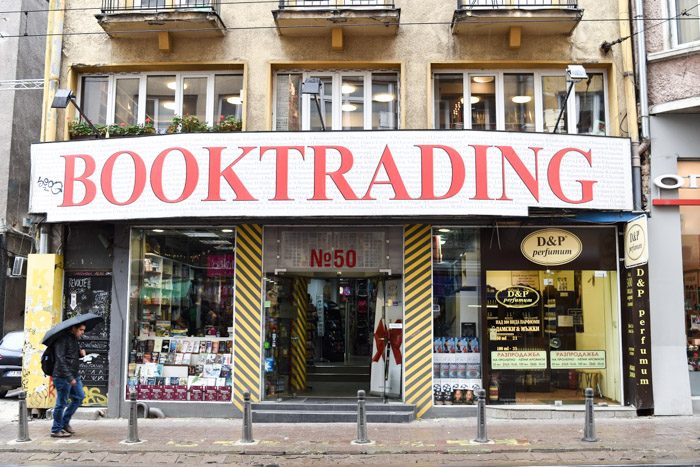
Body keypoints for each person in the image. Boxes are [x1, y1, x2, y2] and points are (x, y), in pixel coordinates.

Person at [50, 323, 86, 438]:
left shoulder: (74, 339)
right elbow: (60, 359)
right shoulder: (62, 340)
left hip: (73, 375)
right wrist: (69, 377)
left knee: (79, 397)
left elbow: (71, 357)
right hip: (62, 376)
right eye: (80, 330)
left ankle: (64, 423)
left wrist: (80, 354)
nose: (82, 332)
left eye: (83, 330)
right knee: (61, 403)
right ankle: (56, 429)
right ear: (73, 328)